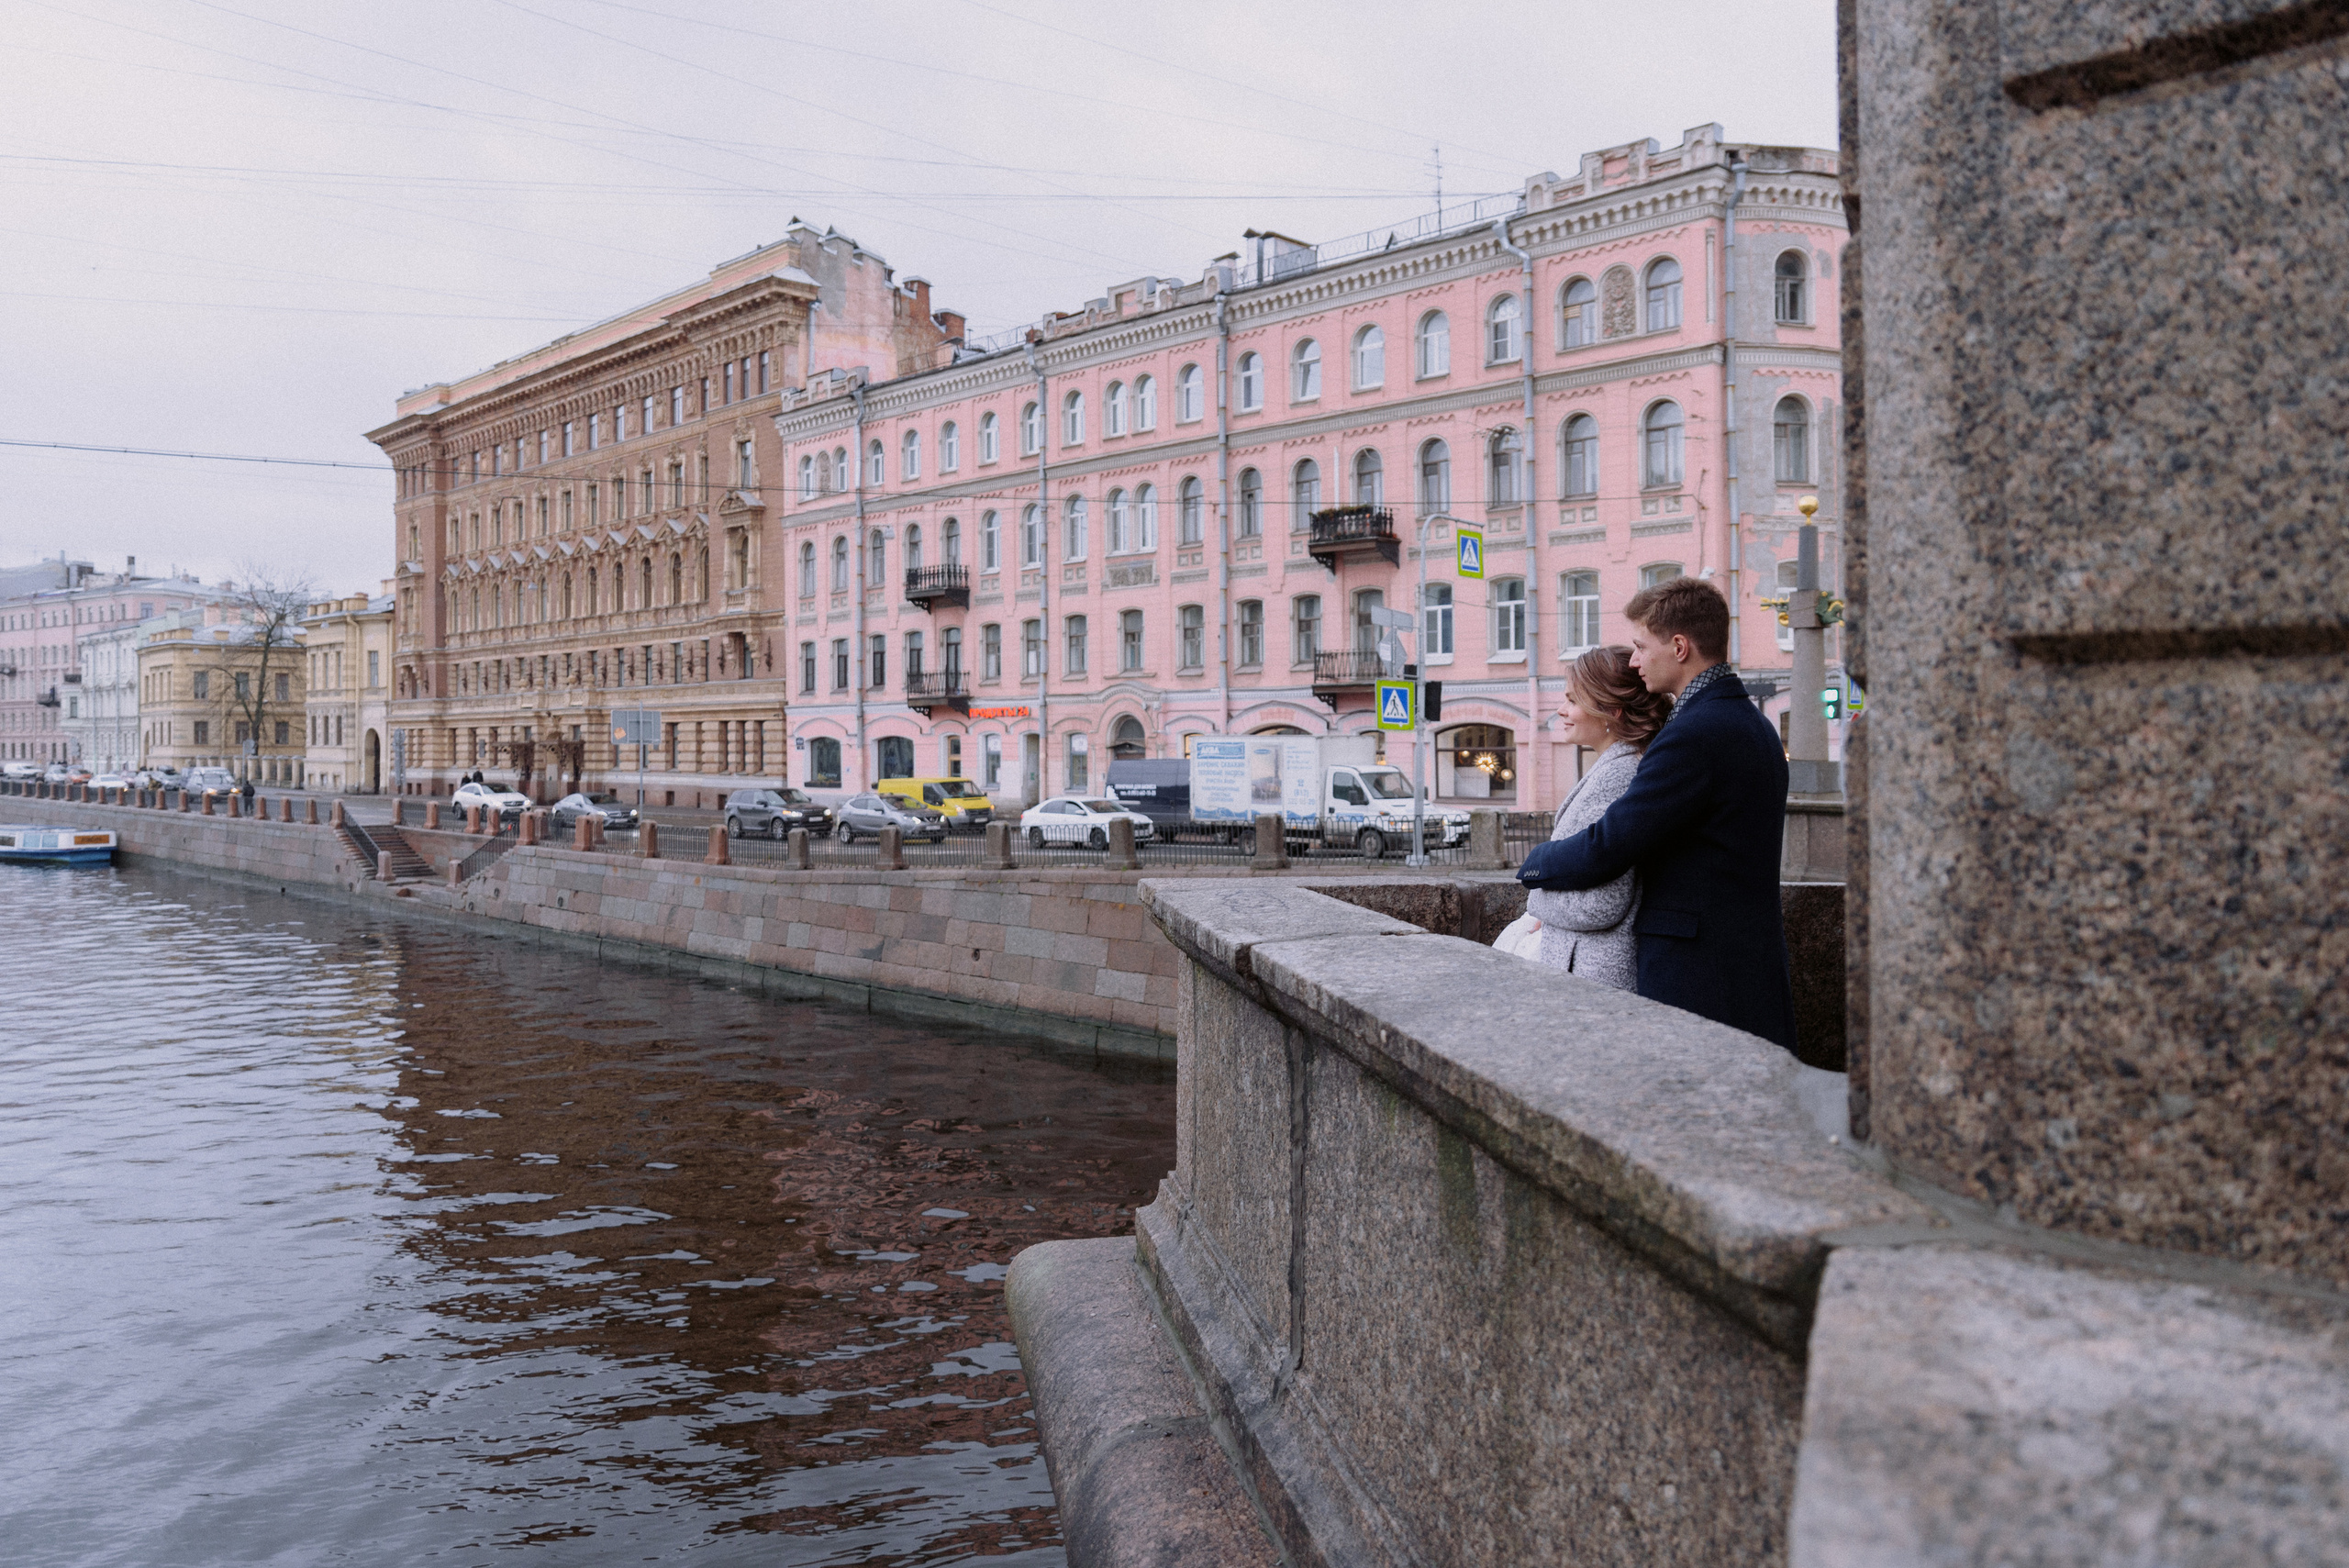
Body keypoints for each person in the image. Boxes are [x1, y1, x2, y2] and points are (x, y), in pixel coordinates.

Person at [1516, 577, 1798, 1049]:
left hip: (1700, 970)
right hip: (1743, 960)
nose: (1634, 661)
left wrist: (1536, 863)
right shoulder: (1750, 722)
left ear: (1680, 647)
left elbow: (1612, 843)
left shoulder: (1696, 733)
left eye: (1641, 647)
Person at [1522, 647, 1670, 988]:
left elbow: (1601, 905)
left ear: (1610, 711)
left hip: (1593, 973)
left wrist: (1536, 900)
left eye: (1573, 701)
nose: (1561, 710)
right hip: (1586, 965)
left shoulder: (1619, 776)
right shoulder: (1621, 765)